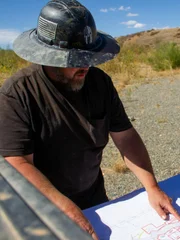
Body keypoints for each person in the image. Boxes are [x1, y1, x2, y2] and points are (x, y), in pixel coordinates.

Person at [0, 0, 179, 239]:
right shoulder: (18, 93)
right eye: (75, 60)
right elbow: (18, 162)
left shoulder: (100, 83)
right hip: (42, 206)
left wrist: (152, 187)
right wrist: (65, 209)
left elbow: (125, 136)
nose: (85, 65)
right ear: (49, 57)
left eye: (89, 57)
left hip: (93, 196)